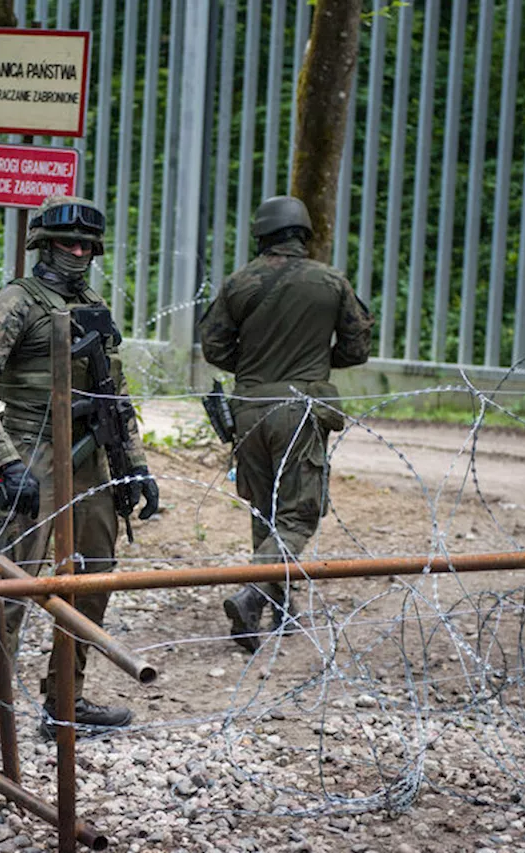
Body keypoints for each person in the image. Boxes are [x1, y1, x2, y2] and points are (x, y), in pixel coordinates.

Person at [0, 195, 160, 769]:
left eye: (87, 245)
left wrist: (136, 464)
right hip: (33, 451)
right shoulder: (17, 302)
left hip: (93, 455)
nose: (79, 253)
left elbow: (116, 398)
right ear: (44, 244)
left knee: (94, 580)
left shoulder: (94, 305)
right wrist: (6, 462)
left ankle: (64, 701)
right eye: (68, 243)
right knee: (13, 588)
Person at [198, 195, 373, 653]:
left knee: (265, 507)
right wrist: (315, 361)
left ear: (262, 234)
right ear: (303, 234)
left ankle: (277, 606)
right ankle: (254, 592)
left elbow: (214, 347)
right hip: (300, 408)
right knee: (299, 512)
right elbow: (357, 348)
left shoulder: (239, 283)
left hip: (249, 408)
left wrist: (255, 364)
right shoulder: (330, 282)